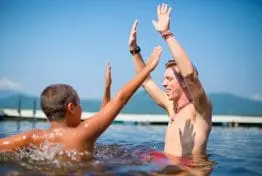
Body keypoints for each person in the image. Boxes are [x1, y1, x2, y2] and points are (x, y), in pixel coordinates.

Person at [0, 46, 163, 161]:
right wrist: (147, 68)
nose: (82, 109)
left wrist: (107, 87)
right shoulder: (82, 133)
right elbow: (120, 99)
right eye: (79, 105)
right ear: (71, 108)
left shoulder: (34, 136)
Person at [128, 3, 212, 157]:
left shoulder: (200, 109)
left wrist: (166, 34)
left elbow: (190, 75)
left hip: (189, 171)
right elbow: (145, 81)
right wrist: (134, 50)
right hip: (168, 167)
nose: (163, 83)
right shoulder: (172, 106)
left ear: (185, 84)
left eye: (168, 79)